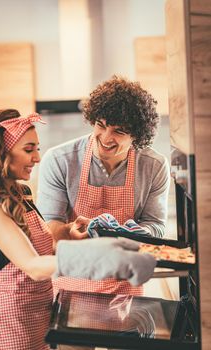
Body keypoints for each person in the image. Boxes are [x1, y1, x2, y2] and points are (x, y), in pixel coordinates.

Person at [0, 109, 156, 350]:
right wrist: (100, 254)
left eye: (37, 148)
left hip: (38, 315)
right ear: (2, 154)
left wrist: (69, 232)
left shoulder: (22, 195)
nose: (37, 158)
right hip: (10, 321)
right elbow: (33, 266)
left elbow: (39, 247)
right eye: (28, 150)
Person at [37, 75, 170, 296]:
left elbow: (155, 226)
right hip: (73, 281)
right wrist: (69, 231)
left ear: (137, 135)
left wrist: (124, 233)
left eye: (119, 131)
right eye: (101, 125)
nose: (106, 138)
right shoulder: (59, 160)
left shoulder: (153, 166)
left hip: (125, 283)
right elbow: (49, 229)